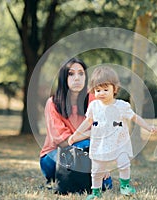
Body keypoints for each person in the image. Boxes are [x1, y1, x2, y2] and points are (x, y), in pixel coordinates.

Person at [68, 66, 157, 199]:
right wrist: (76, 135)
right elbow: (87, 122)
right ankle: (96, 192)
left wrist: (148, 127)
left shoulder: (121, 106)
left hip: (119, 142)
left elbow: (134, 117)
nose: (101, 93)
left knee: (124, 163)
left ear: (114, 89)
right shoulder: (94, 106)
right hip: (100, 143)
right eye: (98, 90)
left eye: (105, 89)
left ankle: (125, 186)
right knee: (97, 170)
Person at [39, 58, 112, 192]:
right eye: (71, 74)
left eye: (81, 73)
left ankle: (82, 177)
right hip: (54, 156)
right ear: (63, 78)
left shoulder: (94, 100)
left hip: (87, 153)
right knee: (84, 148)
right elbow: (64, 141)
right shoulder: (53, 103)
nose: (77, 78)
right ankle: (70, 178)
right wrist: (90, 135)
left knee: (107, 184)